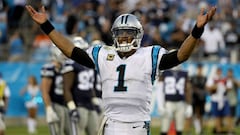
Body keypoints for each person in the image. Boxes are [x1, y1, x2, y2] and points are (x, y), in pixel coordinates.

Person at [25, 5, 216, 135]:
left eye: (128, 33)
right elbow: (70, 51)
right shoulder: (103, 54)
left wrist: (197, 30)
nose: (124, 38)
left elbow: (181, 55)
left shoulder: (149, 55)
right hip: (110, 124)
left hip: (137, 125)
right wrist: (46, 25)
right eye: (120, 34)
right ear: (114, 35)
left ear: (138, 35)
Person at [62, 36, 99, 135]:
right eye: (82, 50)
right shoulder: (71, 64)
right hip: (78, 104)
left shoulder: (88, 64)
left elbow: (89, 85)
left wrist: (94, 99)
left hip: (90, 104)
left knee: (96, 131)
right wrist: (71, 107)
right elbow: (66, 88)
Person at [40, 45, 70, 135]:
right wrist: (49, 108)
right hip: (55, 105)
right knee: (57, 132)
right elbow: (45, 91)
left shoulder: (64, 67)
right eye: (62, 53)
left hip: (65, 104)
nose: (64, 56)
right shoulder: (49, 68)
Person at [154, 66, 192, 135]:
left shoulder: (184, 73)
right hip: (168, 103)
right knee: (165, 128)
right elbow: (159, 89)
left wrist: (189, 105)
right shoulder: (165, 73)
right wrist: (160, 104)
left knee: (179, 129)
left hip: (180, 103)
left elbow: (188, 89)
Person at [206, 67, 231, 134]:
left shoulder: (224, 78)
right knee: (217, 116)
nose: (219, 72)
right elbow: (208, 88)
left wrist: (223, 85)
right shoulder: (212, 78)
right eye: (218, 71)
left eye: (220, 71)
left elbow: (229, 87)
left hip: (223, 99)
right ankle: (218, 131)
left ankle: (229, 131)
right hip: (215, 99)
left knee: (227, 115)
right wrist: (216, 85)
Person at [190, 63, 207, 135]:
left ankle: (200, 129)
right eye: (199, 69)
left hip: (202, 98)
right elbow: (190, 86)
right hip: (195, 98)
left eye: (201, 69)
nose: (200, 70)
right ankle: (196, 129)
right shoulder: (193, 78)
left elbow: (205, 87)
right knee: (194, 114)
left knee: (201, 114)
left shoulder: (204, 78)